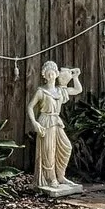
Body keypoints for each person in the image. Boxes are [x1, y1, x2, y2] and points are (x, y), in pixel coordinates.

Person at [26, 61, 84, 194]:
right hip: (45, 121)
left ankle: (61, 175)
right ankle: (51, 178)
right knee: (48, 151)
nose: (52, 75)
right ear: (44, 76)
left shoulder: (60, 90)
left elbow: (77, 90)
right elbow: (30, 107)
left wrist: (75, 77)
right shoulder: (41, 91)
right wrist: (35, 123)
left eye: (53, 73)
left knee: (66, 147)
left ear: (57, 74)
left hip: (56, 121)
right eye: (49, 73)